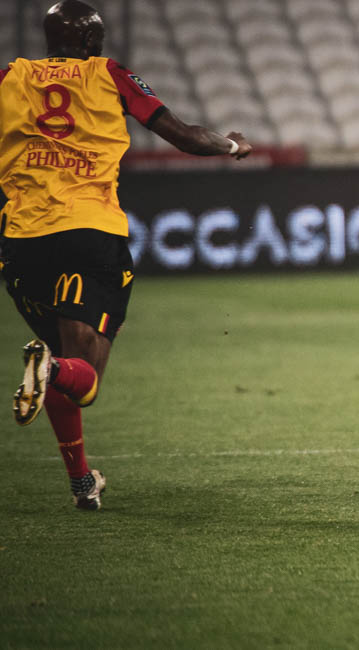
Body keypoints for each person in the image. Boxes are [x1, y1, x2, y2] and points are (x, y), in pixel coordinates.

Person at [2, 0, 252, 510]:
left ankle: (81, 482)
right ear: (90, 41)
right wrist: (230, 145)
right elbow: (183, 135)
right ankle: (51, 370)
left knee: (63, 360)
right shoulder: (109, 74)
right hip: (88, 232)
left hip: (21, 241)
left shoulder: (9, 77)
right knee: (83, 377)